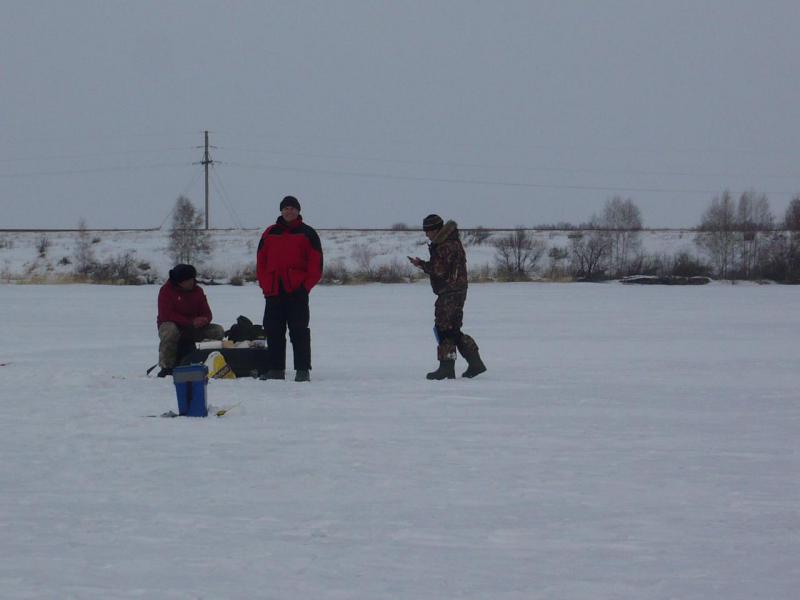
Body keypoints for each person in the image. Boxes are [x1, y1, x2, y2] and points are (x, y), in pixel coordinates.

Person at [409, 214, 487, 380]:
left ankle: (446, 368)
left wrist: (421, 264)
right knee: (453, 330)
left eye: (428, 231)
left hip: (449, 292)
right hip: (456, 290)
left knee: (443, 329)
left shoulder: (445, 245)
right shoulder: (451, 241)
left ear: (436, 229)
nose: (426, 234)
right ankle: (475, 363)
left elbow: (439, 270)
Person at [256, 195, 323, 382]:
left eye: (292, 208)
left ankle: (302, 370)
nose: (289, 211)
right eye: (286, 208)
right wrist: (265, 283)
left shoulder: (308, 233)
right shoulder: (269, 232)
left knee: (298, 330)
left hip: (297, 291)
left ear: (298, 211)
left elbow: (316, 265)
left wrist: (305, 286)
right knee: (273, 330)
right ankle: (276, 369)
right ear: (281, 211)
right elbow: (261, 261)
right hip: (273, 290)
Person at [156, 263, 224, 377]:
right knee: (170, 330)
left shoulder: (198, 291)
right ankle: (167, 367)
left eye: (192, 279)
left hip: (194, 328)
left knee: (218, 331)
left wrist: (204, 320)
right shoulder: (166, 291)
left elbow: (207, 313)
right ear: (179, 281)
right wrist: (189, 322)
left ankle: (206, 362)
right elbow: (166, 315)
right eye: (188, 280)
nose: (191, 282)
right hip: (174, 326)